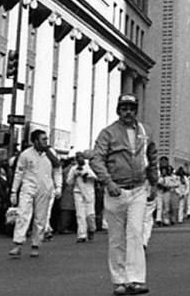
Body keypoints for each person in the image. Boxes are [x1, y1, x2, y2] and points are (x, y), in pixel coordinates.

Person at [90, 93, 156, 296]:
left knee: (135, 233)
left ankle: (136, 280)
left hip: (138, 189)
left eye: (132, 108)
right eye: (124, 108)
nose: (128, 112)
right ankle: (119, 280)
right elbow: (96, 159)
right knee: (117, 237)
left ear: (136, 110)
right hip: (116, 191)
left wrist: (153, 182)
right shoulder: (107, 133)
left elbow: (152, 157)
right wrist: (108, 182)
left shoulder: (145, 131)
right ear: (119, 110)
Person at [9, 129, 62, 258]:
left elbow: (57, 170)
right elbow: (19, 173)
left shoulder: (51, 154)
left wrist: (58, 186)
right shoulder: (26, 154)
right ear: (35, 141)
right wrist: (14, 191)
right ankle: (18, 244)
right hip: (28, 186)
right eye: (43, 139)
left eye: (46, 139)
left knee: (40, 217)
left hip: (45, 187)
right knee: (23, 214)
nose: (45, 142)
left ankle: (35, 244)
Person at [69, 150, 98, 242]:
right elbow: (69, 182)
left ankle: (91, 230)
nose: (79, 159)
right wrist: (75, 175)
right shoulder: (73, 169)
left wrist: (87, 175)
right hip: (78, 192)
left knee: (90, 214)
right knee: (80, 214)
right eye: (77, 158)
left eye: (81, 157)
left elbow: (96, 177)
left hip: (89, 193)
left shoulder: (89, 167)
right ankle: (82, 235)